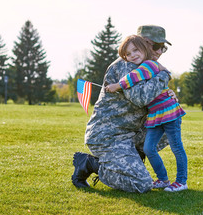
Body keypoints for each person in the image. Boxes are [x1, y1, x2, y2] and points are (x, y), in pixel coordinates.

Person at [72, 25, 173, 193]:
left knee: (168, 123)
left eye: (163, 48)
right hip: (108, 136)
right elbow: (141, 98)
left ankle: (133, 162)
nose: (159, 51)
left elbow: (152, 99)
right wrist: (165, 75)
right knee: (142, 184)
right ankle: (89, 163)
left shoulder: (148, 68)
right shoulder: (128, 66)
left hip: (128, 134)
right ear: (144, 43)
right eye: (156, 46)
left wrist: (168, 96)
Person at [106, 35, 188, 192]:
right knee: (149, 148)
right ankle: (163, 179)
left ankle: (181, 181)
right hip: (156, 115)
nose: (132, 56)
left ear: (144, 49)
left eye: (135, 50)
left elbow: (133, 77)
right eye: (128, 54)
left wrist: (118, 85)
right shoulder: (145, 66)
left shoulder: (149, 64)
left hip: (169, 112)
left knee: (177, 147)